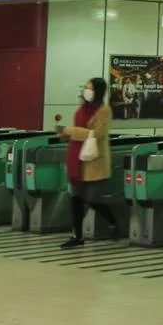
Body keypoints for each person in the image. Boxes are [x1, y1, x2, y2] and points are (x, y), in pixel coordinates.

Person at [59, 78, 119, 249]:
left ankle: (112, 221)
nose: (87, 91)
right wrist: (65, 134)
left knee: (92, 199)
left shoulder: (104, 111)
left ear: (98, 91)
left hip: (95, 163)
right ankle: (77, 236)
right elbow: (82, 132)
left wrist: (69, 131)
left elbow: (98, 133)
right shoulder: (80, 111)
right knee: (76, 199)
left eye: (90, 88)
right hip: (77, 161)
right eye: (86, 88)